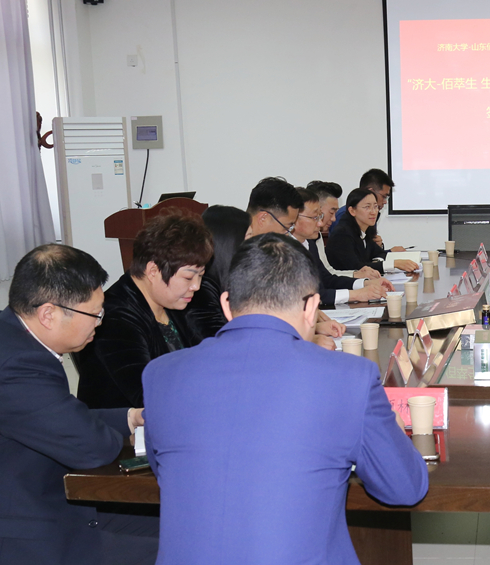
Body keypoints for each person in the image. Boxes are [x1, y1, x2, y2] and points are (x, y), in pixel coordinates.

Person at [143, 233, 429, 563]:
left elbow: (165, 472)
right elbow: (405, 488)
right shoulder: (351, 378)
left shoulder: (160, 375)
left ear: (226, 305)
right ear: (312, 307)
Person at [0, 244, 152, 565]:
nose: (100, 322)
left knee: (173, 524)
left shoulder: (4, 332)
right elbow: (92, 448)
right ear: (48, 314)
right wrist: (124, 437)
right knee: (176, 546)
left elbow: (59, 417)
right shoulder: (17, 365)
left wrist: (129, 418)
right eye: (95, 313)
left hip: (20, 501)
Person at [75, 211, 212, 409]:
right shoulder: (114, 317)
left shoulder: (172, 300)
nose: (196, 286)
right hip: (125, 425)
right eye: (188, 277)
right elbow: (147, 394)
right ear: (153, 271)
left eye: (201, 275)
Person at [239, 176, 350, 348]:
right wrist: (306, 339)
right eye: (287, 226)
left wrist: (312, 328)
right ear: (263, 218)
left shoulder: (267, 248)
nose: (288, 233)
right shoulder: (236, 251)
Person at [293, 186, 392, 305]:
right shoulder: (284, 250)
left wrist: (365, 283)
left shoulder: (309, 243)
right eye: (315, 217)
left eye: (320, 216)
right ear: (293, 217)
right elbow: (310, 295)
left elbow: (326, 279)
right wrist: (357, 294)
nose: (320, 223)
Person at [187, 205, 250, 339]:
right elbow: (221, 340)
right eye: (249, 237)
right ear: (230, 242)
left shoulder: (226, 281)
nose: (254, 244)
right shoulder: (200, 293)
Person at [326, 187, 419, 273]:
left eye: (375, 207)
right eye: (367, 207)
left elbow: (379, 253)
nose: (374, 212)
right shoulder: (342, 234)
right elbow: (356, 267)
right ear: (352, 211)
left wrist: (378, 260)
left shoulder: (365, 230)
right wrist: (393, 264)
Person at [307, 180, 380, 279]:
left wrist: (356, 275)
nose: (334, 219)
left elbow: (329, 272)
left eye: (375, 207)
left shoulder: (317, 236)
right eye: (331, 213)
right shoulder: (342, 233)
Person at [331, 168, 396, 248]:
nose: (385, 201)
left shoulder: (371, 215)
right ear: (371, 192)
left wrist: (379, 246)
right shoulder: (343, 216)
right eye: (384, 196)